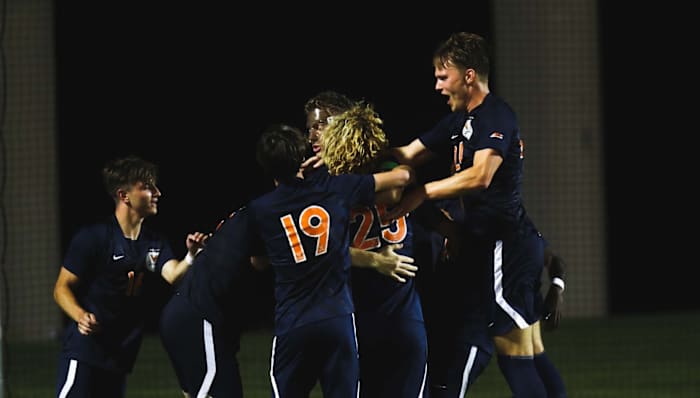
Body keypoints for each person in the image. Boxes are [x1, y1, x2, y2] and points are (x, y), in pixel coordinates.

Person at [388, 32, 567, 397]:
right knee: (530, 352)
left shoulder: (495, 114)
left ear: (468, 76)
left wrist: (423, 192)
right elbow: (408, 153)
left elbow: (481, 175)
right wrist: (353, 151)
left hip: (503, 248)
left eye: (443, 76)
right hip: (505, 245)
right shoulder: (459, 121)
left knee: (514, 357)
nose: (437, 85)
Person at [248, 123, 415, 397]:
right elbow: (402, 178)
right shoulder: (335, 188)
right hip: (337, 318)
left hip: (294, 321)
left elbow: (258, 262)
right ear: (304, 158)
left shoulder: (260, 210)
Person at [53, 155, 207, 398]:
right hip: (86, 352)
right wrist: (80, 316)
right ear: (124, 196)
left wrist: (191, 256)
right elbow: (61, 288)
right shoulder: (94, 237)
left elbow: (173, 275)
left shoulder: (153, 242)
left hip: (120, 355)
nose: (157, 192)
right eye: (147, 186)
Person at [319, 102, 428, 397]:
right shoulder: (391, 175)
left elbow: (327, 250)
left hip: (358, 319)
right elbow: (403, 179)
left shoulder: (335, 187)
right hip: (404, 317)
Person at [159, 206, 254, 398]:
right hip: (199, 315)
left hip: (192, 315)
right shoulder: (263, 214)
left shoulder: (244, 217)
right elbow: (259, 261)